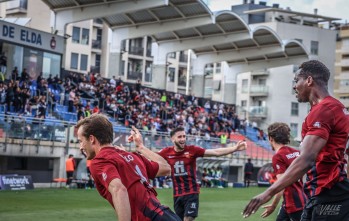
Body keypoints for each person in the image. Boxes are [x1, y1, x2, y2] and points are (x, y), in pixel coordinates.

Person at [243, 60, 349, 220]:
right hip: (322, 193)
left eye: (296, 80)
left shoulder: (324, 110)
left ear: (309, 80)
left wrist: (268, 192)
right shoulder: (335, 108)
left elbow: (306, 159)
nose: (294, 86)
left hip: (329, 193)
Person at [76, 114, 181, 221]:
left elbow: (119, 189)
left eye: (81, 141)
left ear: (92, 139)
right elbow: (166, 168)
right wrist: (141, 147)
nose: (80, 147)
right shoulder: (132, 156)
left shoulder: (99, 161)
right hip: (168, 215)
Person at [156, 126, 247, 221]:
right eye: (179, 137)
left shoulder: (192, 150)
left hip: (191, 193)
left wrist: (234, 148)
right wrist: (140, 150)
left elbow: (215, 152)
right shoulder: (166, 152)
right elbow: (150, 157)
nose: (183, 139)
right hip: (177, 195)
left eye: (184, 136)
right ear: (172, 139)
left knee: (188, 219)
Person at [260, 122, 307, 221]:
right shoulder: (296, 152)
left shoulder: (278, 156)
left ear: (271, 138)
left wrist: (273, 205)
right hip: (298, 199)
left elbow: (281, 185)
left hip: (294, 204)